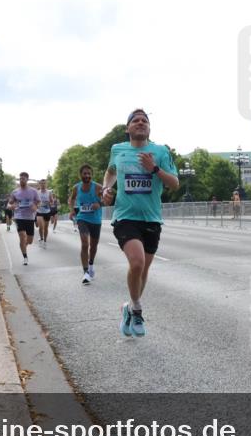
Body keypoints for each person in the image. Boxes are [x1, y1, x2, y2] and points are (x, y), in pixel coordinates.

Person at [101, 109, 179, 336]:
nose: (141, 123)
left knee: (143, 269)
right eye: (135, 120)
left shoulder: (161, 151)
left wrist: (154, 169)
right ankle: (137, 309)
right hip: (125, 217)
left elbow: (174, 184)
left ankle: (129, 306)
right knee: (137, 262)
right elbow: (110, 172)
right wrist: (107, 188)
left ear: (149, 128)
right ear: (128, 128)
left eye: (145, 120)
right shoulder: (117, 149)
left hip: (152, 218)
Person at [68, 165, 102, 284]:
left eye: (89, 173)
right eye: (85, 173)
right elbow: (71, 199)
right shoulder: (76, 188)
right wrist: (72, 210)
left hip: (96, 220)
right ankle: (86, 272)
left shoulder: (98, 187)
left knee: (93, 246)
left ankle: (91, 264)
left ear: (91, 175)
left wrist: (99, 204)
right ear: (80, 175)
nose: (87, 176)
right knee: (84, 243)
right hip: (82, 218)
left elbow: (107, 199)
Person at [7, 172, 40, 265]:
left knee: (29, 241)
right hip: (19, 216)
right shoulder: (15, 192)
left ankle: (23, 246)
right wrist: (11, 206)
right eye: (20, 178)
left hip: (30, 217)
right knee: (22, 236)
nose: (21, 180)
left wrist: (35, 207)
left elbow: (38, 202)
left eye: (23, 179)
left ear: (27, 180)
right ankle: (25, 257)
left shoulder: (33, 191)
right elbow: (9, 203)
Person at [36, 179, 56, 247]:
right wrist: (37, 204)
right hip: (39, 211)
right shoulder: (37, 192)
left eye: (44, 183)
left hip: (47, 211)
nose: (43, 185)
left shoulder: (49, 192)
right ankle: (41, 239)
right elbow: (35, 201)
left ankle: (45, 241)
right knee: (41, 227)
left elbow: (52, 201)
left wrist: (49, 203)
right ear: (39, 184)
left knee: (45, 228)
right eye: (41, 183)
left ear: (46, 184)